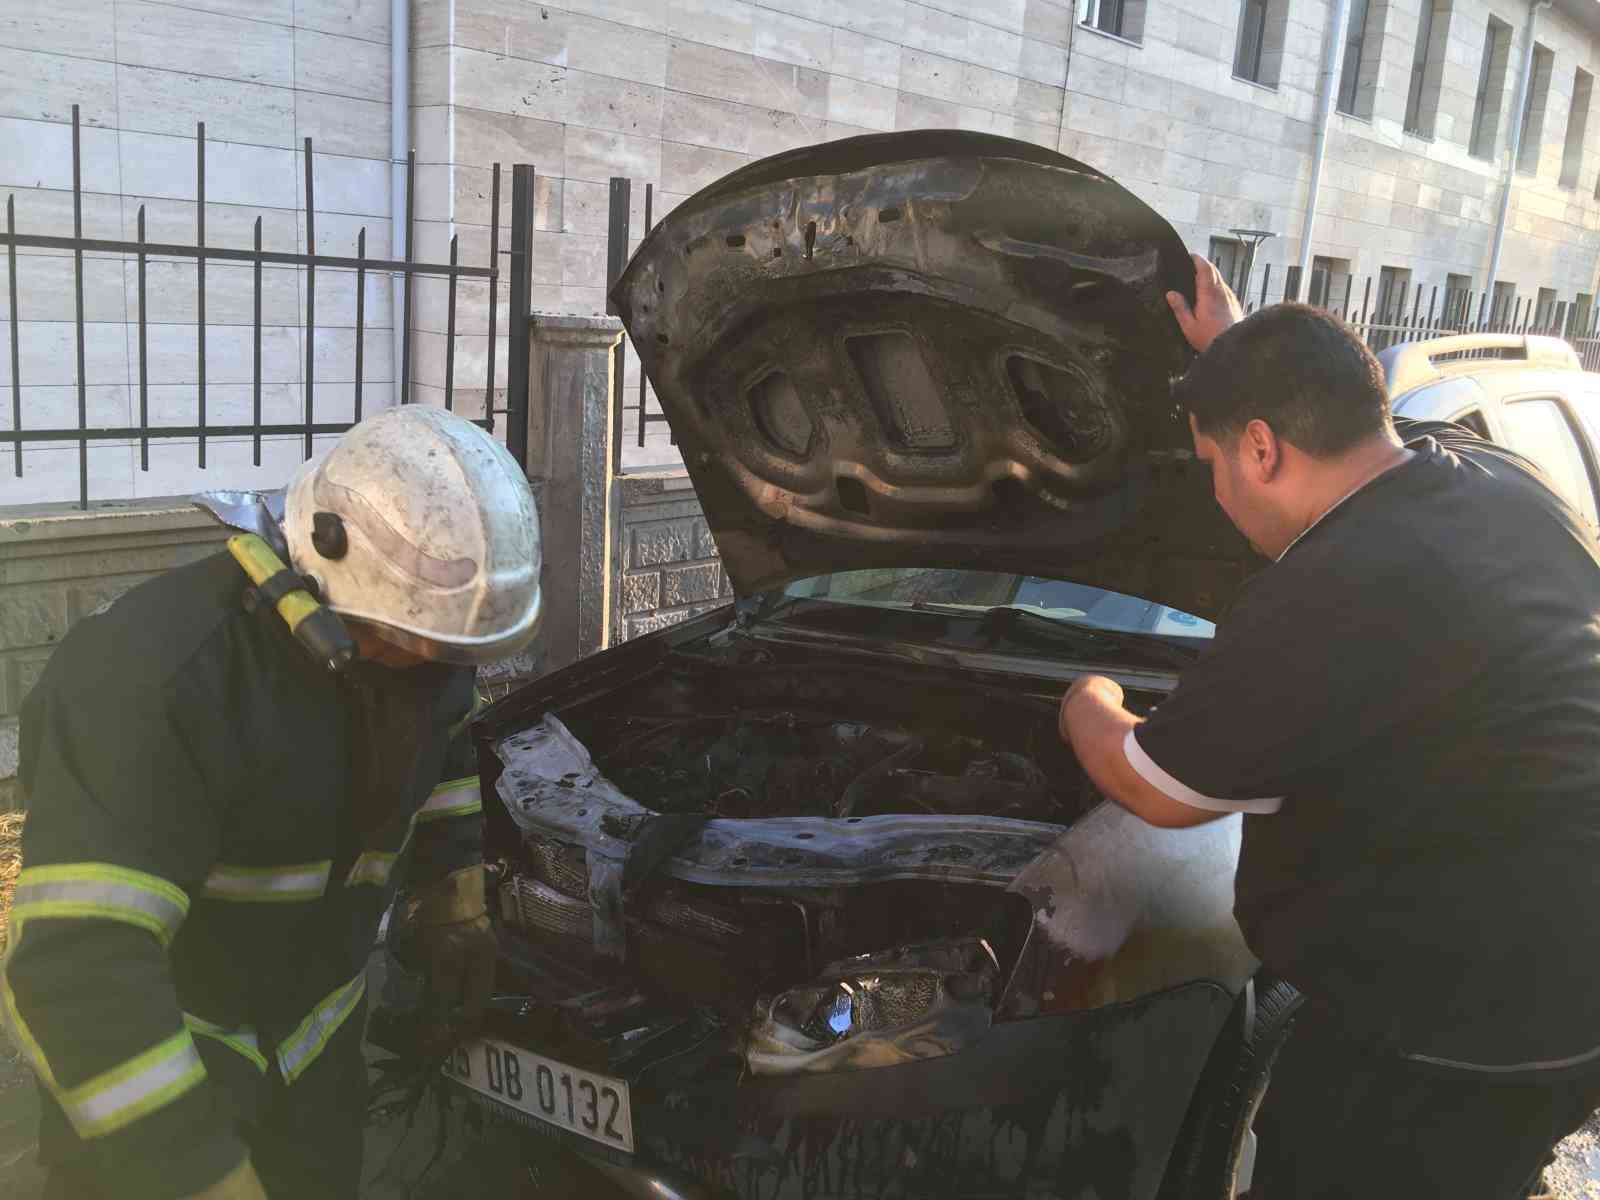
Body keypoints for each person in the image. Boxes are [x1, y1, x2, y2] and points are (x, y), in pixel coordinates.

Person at [1061, 255, 1600, 1197]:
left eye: (1214, 463)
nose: (1218, 494)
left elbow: (1154, 786)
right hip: (1566, 984)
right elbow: (1338, 401)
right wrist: (1233, 346)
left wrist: (1085, 700)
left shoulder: (1330, 590)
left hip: (1447, 1033)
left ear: (1261, 448)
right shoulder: (1484, 477)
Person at [1, 407, 542, 1200]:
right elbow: (80, 969)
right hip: (157, 1086)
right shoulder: (156, 682)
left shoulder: (414, 657)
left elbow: (447, 748)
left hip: (313, 1063)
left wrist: (453, 899)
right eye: (414, 650)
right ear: (324, 562)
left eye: (453, 658)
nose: (434, 674)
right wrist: (197, 1175)